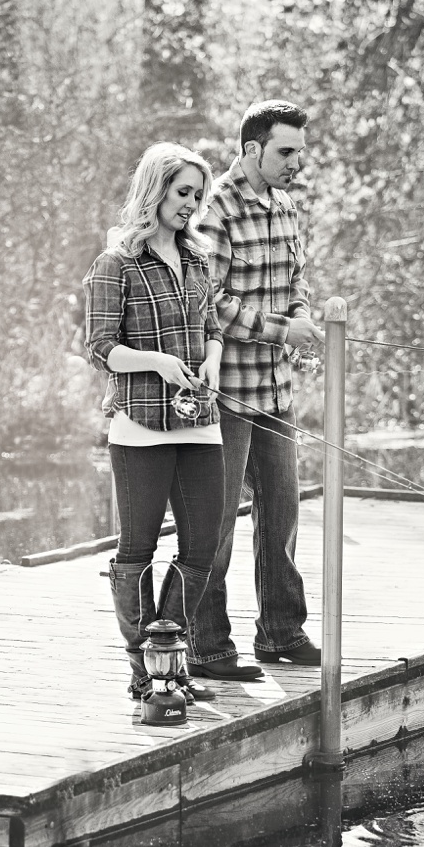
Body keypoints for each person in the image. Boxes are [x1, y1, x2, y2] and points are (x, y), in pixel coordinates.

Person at [186, 100, 325, 683]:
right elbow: (207, 302)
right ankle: (207, 647)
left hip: (276, 389)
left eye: (299, 151)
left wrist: (300, 322)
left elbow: (296, 281)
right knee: (215, 522)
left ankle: (280, 632)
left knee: (282, 513)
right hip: (230, 392)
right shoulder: (215, 208)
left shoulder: (287, 205)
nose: (296, 162)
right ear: (252, 149)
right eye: (285, 151)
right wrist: (277, 328)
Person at [84, 143, 226, 707]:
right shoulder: (115, 264)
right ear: (155, 190)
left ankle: (169, 659)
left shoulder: (198, 260)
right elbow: (99, 348)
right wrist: (158, 364)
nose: (191, 204)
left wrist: (211, 360)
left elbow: (211, 325)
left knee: (202, 546)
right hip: (139, 426)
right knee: (136, 550)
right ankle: (144, 670)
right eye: (183, 192)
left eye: (198, 194)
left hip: (200, 421)